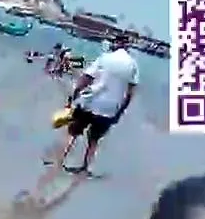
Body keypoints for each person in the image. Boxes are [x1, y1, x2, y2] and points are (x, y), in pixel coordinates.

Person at [46, 33, 139, 175]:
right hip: (110, 108)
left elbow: (86, 78)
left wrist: (75, 94)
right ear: (127, 47)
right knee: (94, 139)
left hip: (90, 102)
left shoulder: (105, 58)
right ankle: (86, 167)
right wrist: (120, 111)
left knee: (73, 132)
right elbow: (130, 93)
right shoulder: (133, 65)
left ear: (116, 44)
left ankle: (59, 160)